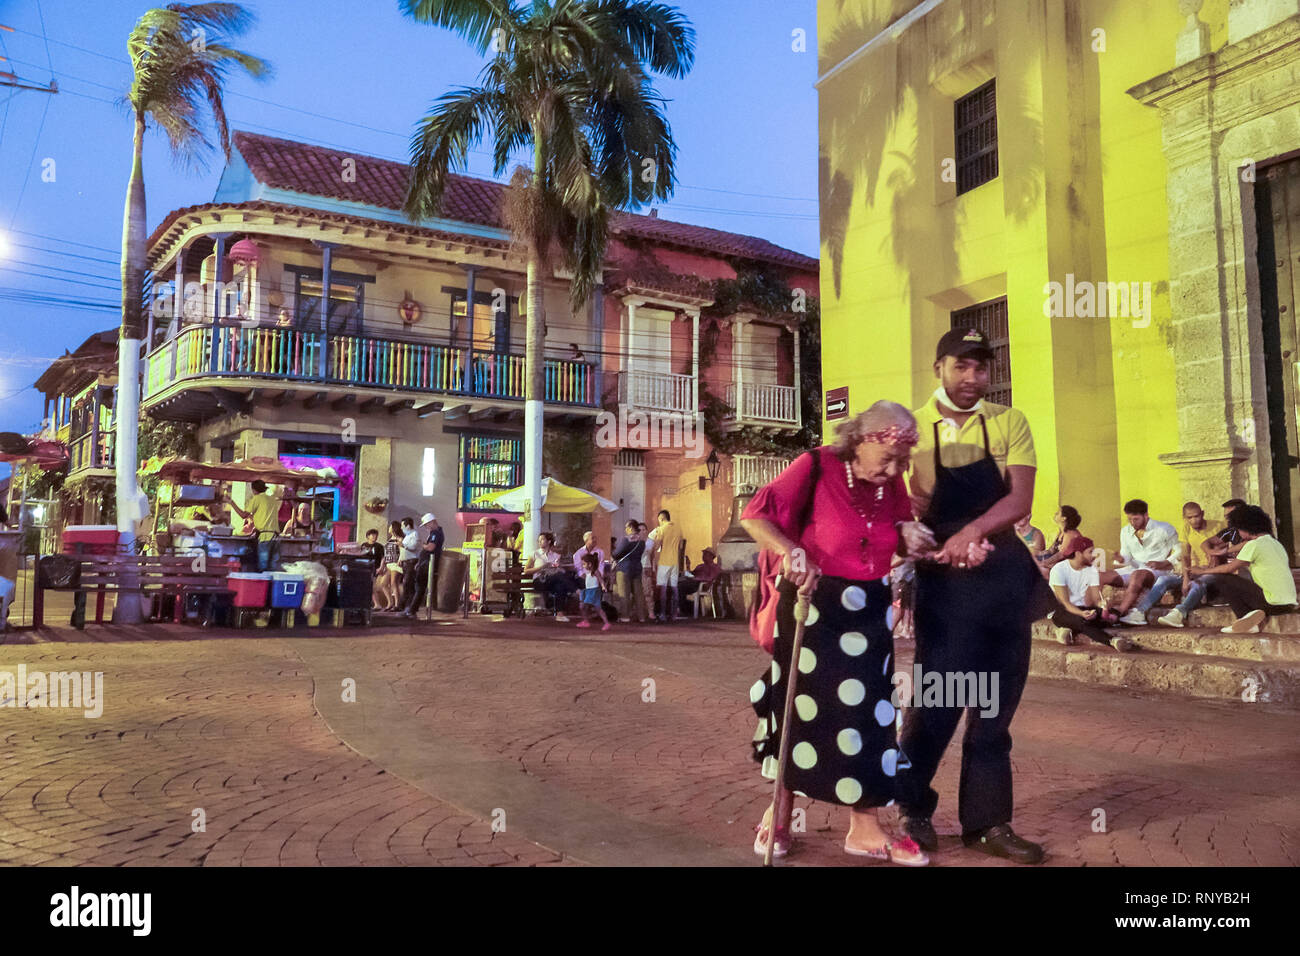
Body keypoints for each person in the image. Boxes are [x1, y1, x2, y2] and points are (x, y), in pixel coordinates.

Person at [742, 400, 930, 866]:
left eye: (901, 461)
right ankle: (780, 813)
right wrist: (790, 551)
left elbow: (900, 527)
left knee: (868, 716)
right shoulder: (817, 464)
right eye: (886, 457)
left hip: (869, 609)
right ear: (860, 441)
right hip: (813, 605)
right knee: (799, 708)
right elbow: (755, 516)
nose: (893, 469)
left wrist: (913, 538)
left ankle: (865, 828)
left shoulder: (891, 485)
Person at [896, 327, 1055, 865]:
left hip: (1005, 576)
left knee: (994, 709)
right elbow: (895, 502)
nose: (972, 378)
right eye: (960, 366)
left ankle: (988, 823)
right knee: (937, 701)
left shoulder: (1009, 421)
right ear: (938, 368)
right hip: (945, 581)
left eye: (981, 367)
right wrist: (924, 538)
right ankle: (911, 809)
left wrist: (975, 533)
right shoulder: (910, 428)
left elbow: (1021, 498)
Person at [1187, 505, 1297, 633]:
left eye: (1238, 529)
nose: (1238, 533)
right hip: (1288, 605)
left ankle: (1245, 618)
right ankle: (1251, 617)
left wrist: (1201, 571)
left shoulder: (1254, 545)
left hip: (1271, 603)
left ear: (1246, 527)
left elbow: (1228, 568)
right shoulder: (1276, 544)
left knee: (1223, 578)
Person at [1134, 501, 1222, 628]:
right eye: (1190, 517)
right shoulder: (1186, 528)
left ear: (1202, 514)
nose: (1194, 520)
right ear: (1185, 518)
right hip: (1193, 570)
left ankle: (1179, 613)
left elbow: (1225, 547)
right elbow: (1185, 555)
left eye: (1197, 516)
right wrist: (1185, 578)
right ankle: (1140, 611)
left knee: (1198, 583)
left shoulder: (1218, 526)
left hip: (1213, 572)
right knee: (1164, 579)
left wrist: (1214, 558)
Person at [1109, 499, 1179, 624]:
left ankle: (1120, 612)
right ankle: (1093, 612)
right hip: (1134, 568)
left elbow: (1180, 550)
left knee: (1137, 575)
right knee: (1100, 575)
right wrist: (1120, 559)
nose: (1132, 522)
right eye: (1129, 519)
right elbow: (1126, 556)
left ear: (1146, 515)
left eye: (1135, 519)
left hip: (1158, 571)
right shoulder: (1125, 531)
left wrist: (1164, 562)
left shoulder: (1164, 528)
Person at [1047, 537, 1126, 646]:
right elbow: (1065, 603)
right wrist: (1081, 614)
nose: (1094, 555)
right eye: (1090, 552)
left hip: (1084, 609)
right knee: (1083, 621)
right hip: (1062, 611)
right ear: (1078, 553)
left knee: (1114, 615)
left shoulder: (1092, 570)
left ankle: (1069, 629)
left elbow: (1096, 599)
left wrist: (1103, 605)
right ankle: (1112, 641)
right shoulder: (1059, 570)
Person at [227, 479, 282, 572]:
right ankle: (272, 586)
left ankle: (263, 585)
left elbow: (243, 515)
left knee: (263, 567)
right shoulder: (272, 500)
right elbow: (263, 515)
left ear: (254, 490)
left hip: (265, 538)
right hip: (276, 537)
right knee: (273, 568)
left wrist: (231, 502)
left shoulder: (257, 498)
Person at [525, 531, 574, 621]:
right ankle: (575, 590)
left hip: (552, 579)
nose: (540, 542)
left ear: (549, 541)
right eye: (539, 540)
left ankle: (560, 614)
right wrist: (541, 567)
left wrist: (558, 567)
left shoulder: (556, 556)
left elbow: (560, 570)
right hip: (540, 580)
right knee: (559, 577)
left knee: (560, 586)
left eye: (542, 540)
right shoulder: (534, 554)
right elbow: (526, 571)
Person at [403, 513, 444, 619]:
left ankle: (411, 609)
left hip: (427, 564)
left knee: (420, 587)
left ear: (431, 522)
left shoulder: (435, 533)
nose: (426, 527)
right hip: (425, 563)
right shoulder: (436, 533)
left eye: (426, 525)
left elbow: (430, 548)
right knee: (419, 587)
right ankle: (411, 609)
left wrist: (421, 544)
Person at [646, 510, 683, 624]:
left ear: (661, 518)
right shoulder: (678, 528)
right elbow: (681, 546)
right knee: (674, 587)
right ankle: (674, 614)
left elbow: (656, 545)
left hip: (664, 561)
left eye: (659, 520)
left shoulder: (661, 529)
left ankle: (662, 614)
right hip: (675, 562)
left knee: (663, 588)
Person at [612, 520, 648, 624]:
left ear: (631, 528)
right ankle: (642, 617)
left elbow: (616, 554)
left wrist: (614, 553)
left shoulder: (626, 540)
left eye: (626, 528)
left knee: (624, 593)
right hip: (637, 568)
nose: (625, 530)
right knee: (638, 594)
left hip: (624, 569)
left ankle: (625, 617)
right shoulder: (641, 542)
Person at [1202, 498, 1248, 566]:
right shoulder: (1231, 530)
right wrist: (1213, 552)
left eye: (1230, 516)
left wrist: (1225, 551)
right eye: (1226, 517)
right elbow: (1205, 543)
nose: (1227, 520)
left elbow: (1248, 543)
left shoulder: (1252, 529)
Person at [1037, 505, 1082, 571]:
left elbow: (1061, 555)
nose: (1055, 514)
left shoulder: (1071, 534)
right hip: (1060, 565)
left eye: (1058, 513)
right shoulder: (1061, 532)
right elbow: (1051, 550)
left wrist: (1043, 563)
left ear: (1063, 518)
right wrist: (1035, 554)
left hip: (1071, 569)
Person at [576, 552, 612, 631]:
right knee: (594, 608)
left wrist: (603, 586)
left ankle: (605, 622)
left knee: (586, 606)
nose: (583, 566)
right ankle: (587, 621)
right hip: (588, 591)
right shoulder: (587, 573)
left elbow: (600, 579)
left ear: (590, 564)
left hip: (594, 591)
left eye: (584, 564)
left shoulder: (595, 571)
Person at [377, 520, 404, 612]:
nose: (389, 528)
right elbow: (385, 555)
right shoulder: (389, 539)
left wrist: (400, 559)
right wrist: (382, 566)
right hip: (389, 563)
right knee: (383, 583)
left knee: (393, 583)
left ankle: (397, 604)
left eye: (390, 526)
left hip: (396, 563)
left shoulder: (400, 538)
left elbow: (402, 550)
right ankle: (390, 602)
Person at [399, 517, 420, 608]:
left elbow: (413, 547)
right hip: (405, 562)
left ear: (408, 526)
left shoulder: (414, 534)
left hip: (411, 561)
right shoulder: (407, 536)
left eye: (402, 525)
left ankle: (408, 605)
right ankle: (406, 605)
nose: (401, 528)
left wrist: (403, 545)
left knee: (408, 583)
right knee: (406, 583)